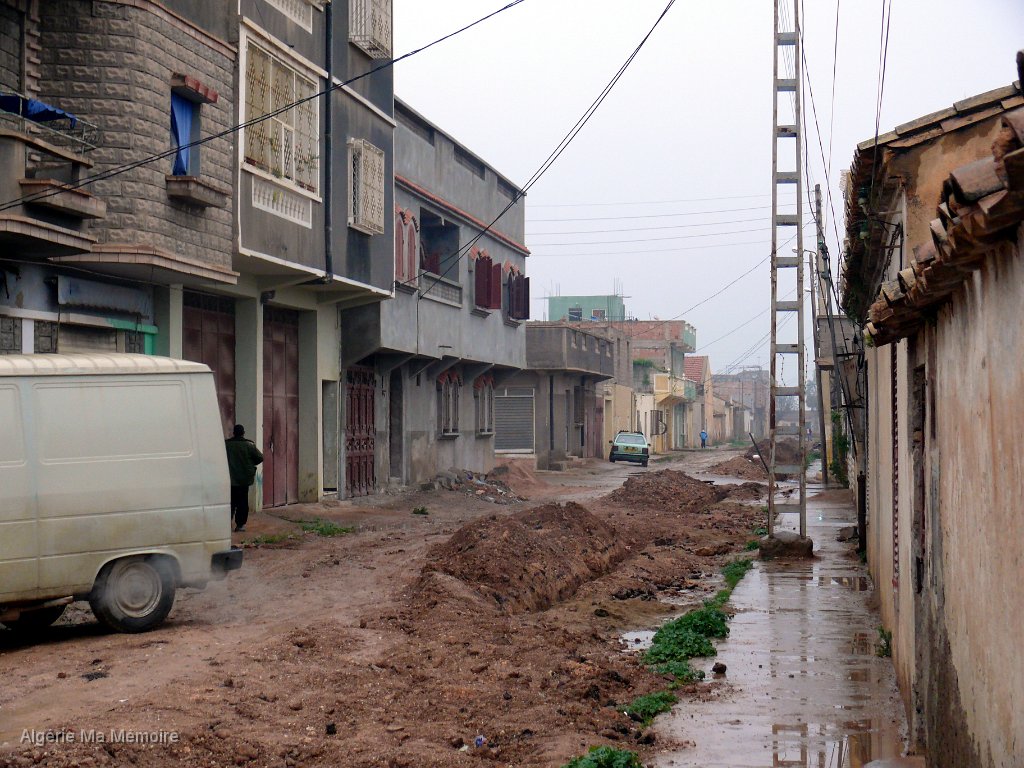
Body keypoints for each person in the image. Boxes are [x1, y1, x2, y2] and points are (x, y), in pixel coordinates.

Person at [225, 424, 263, 532]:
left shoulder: (227, 445)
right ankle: (240, 525)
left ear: (234, 433)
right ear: (243, 433)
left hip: (230, 479)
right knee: (242, 502)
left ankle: (227, 524)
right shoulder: (249, 445)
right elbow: (260, 458)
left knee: (231, 502)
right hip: (243, 480)